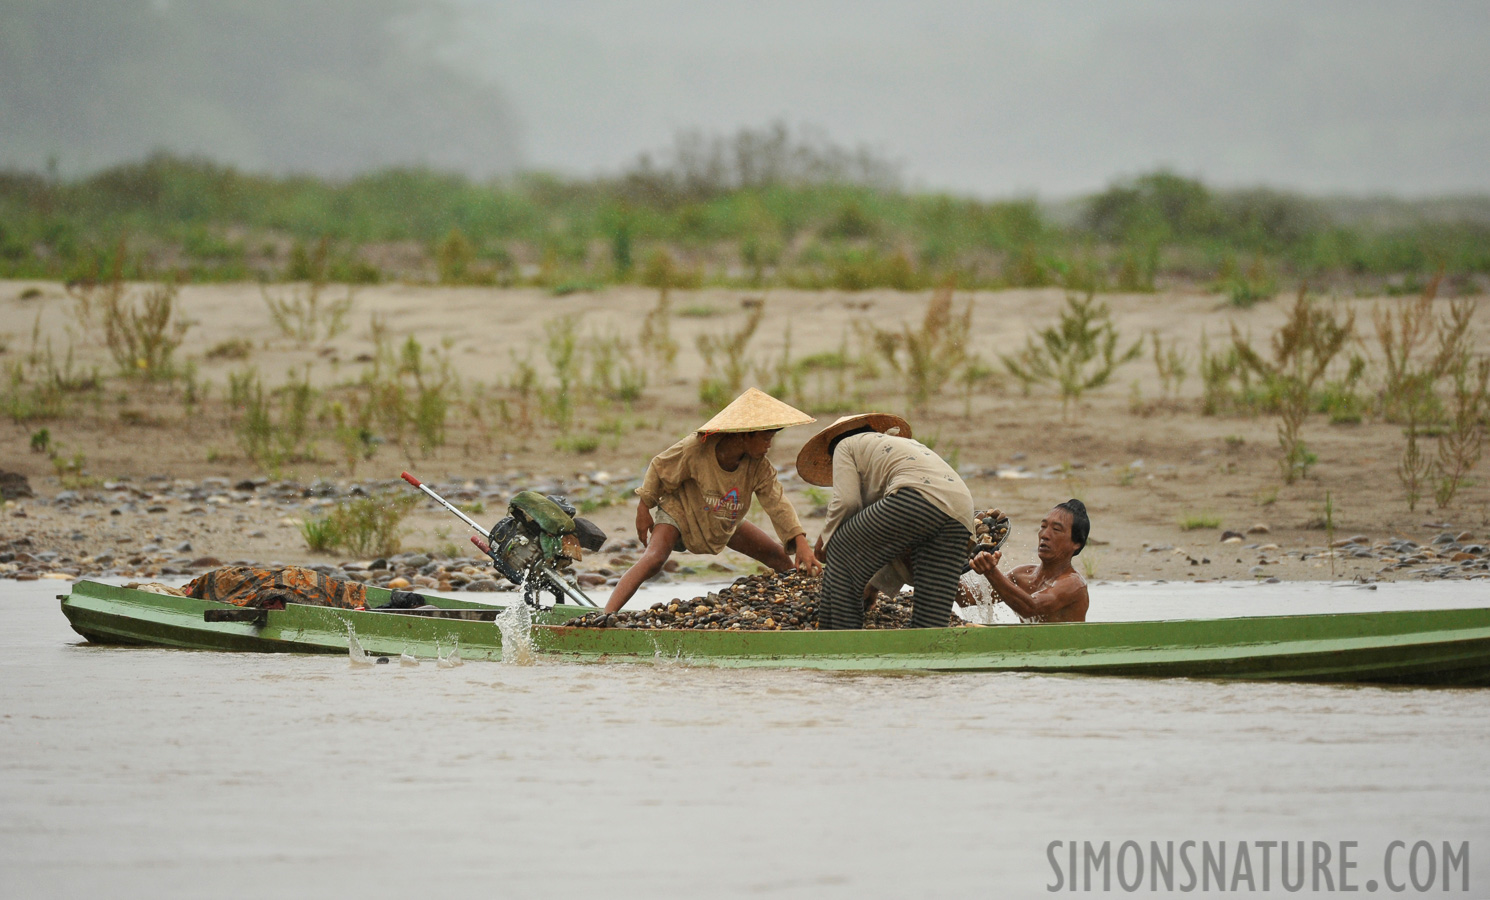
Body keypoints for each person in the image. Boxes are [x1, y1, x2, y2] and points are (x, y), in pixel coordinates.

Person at [604, 388, 821, 613]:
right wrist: (643, 509)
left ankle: (800, 609)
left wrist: (801, 543)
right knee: (654, 558)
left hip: (724, 517)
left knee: (778, 557)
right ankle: (605, 616)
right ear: (746, 434)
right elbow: (660, 467)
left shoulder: (759, 467)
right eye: (766, 439)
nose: (769, 446)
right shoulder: (696, 448)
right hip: (681, 512)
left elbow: (778, 503)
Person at [797, 413, 975, 629]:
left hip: (918, 495)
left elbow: (847, 502)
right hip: (961, 511)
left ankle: (838, 636)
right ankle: (928, 652)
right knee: (931, 613)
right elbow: (889, 542)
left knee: (841, 546)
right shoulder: (894, 448)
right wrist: (873, 585)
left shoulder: (844, 445)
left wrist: (826, 539)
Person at [969, 500, 1090, 623]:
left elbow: (1030, 608)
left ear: (1076, 544)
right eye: (1043, 526)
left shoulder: (1073, 584)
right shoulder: (1022, 574)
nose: (1045, 535)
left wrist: (991, 572)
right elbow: (970, 597)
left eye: (1056, 529)